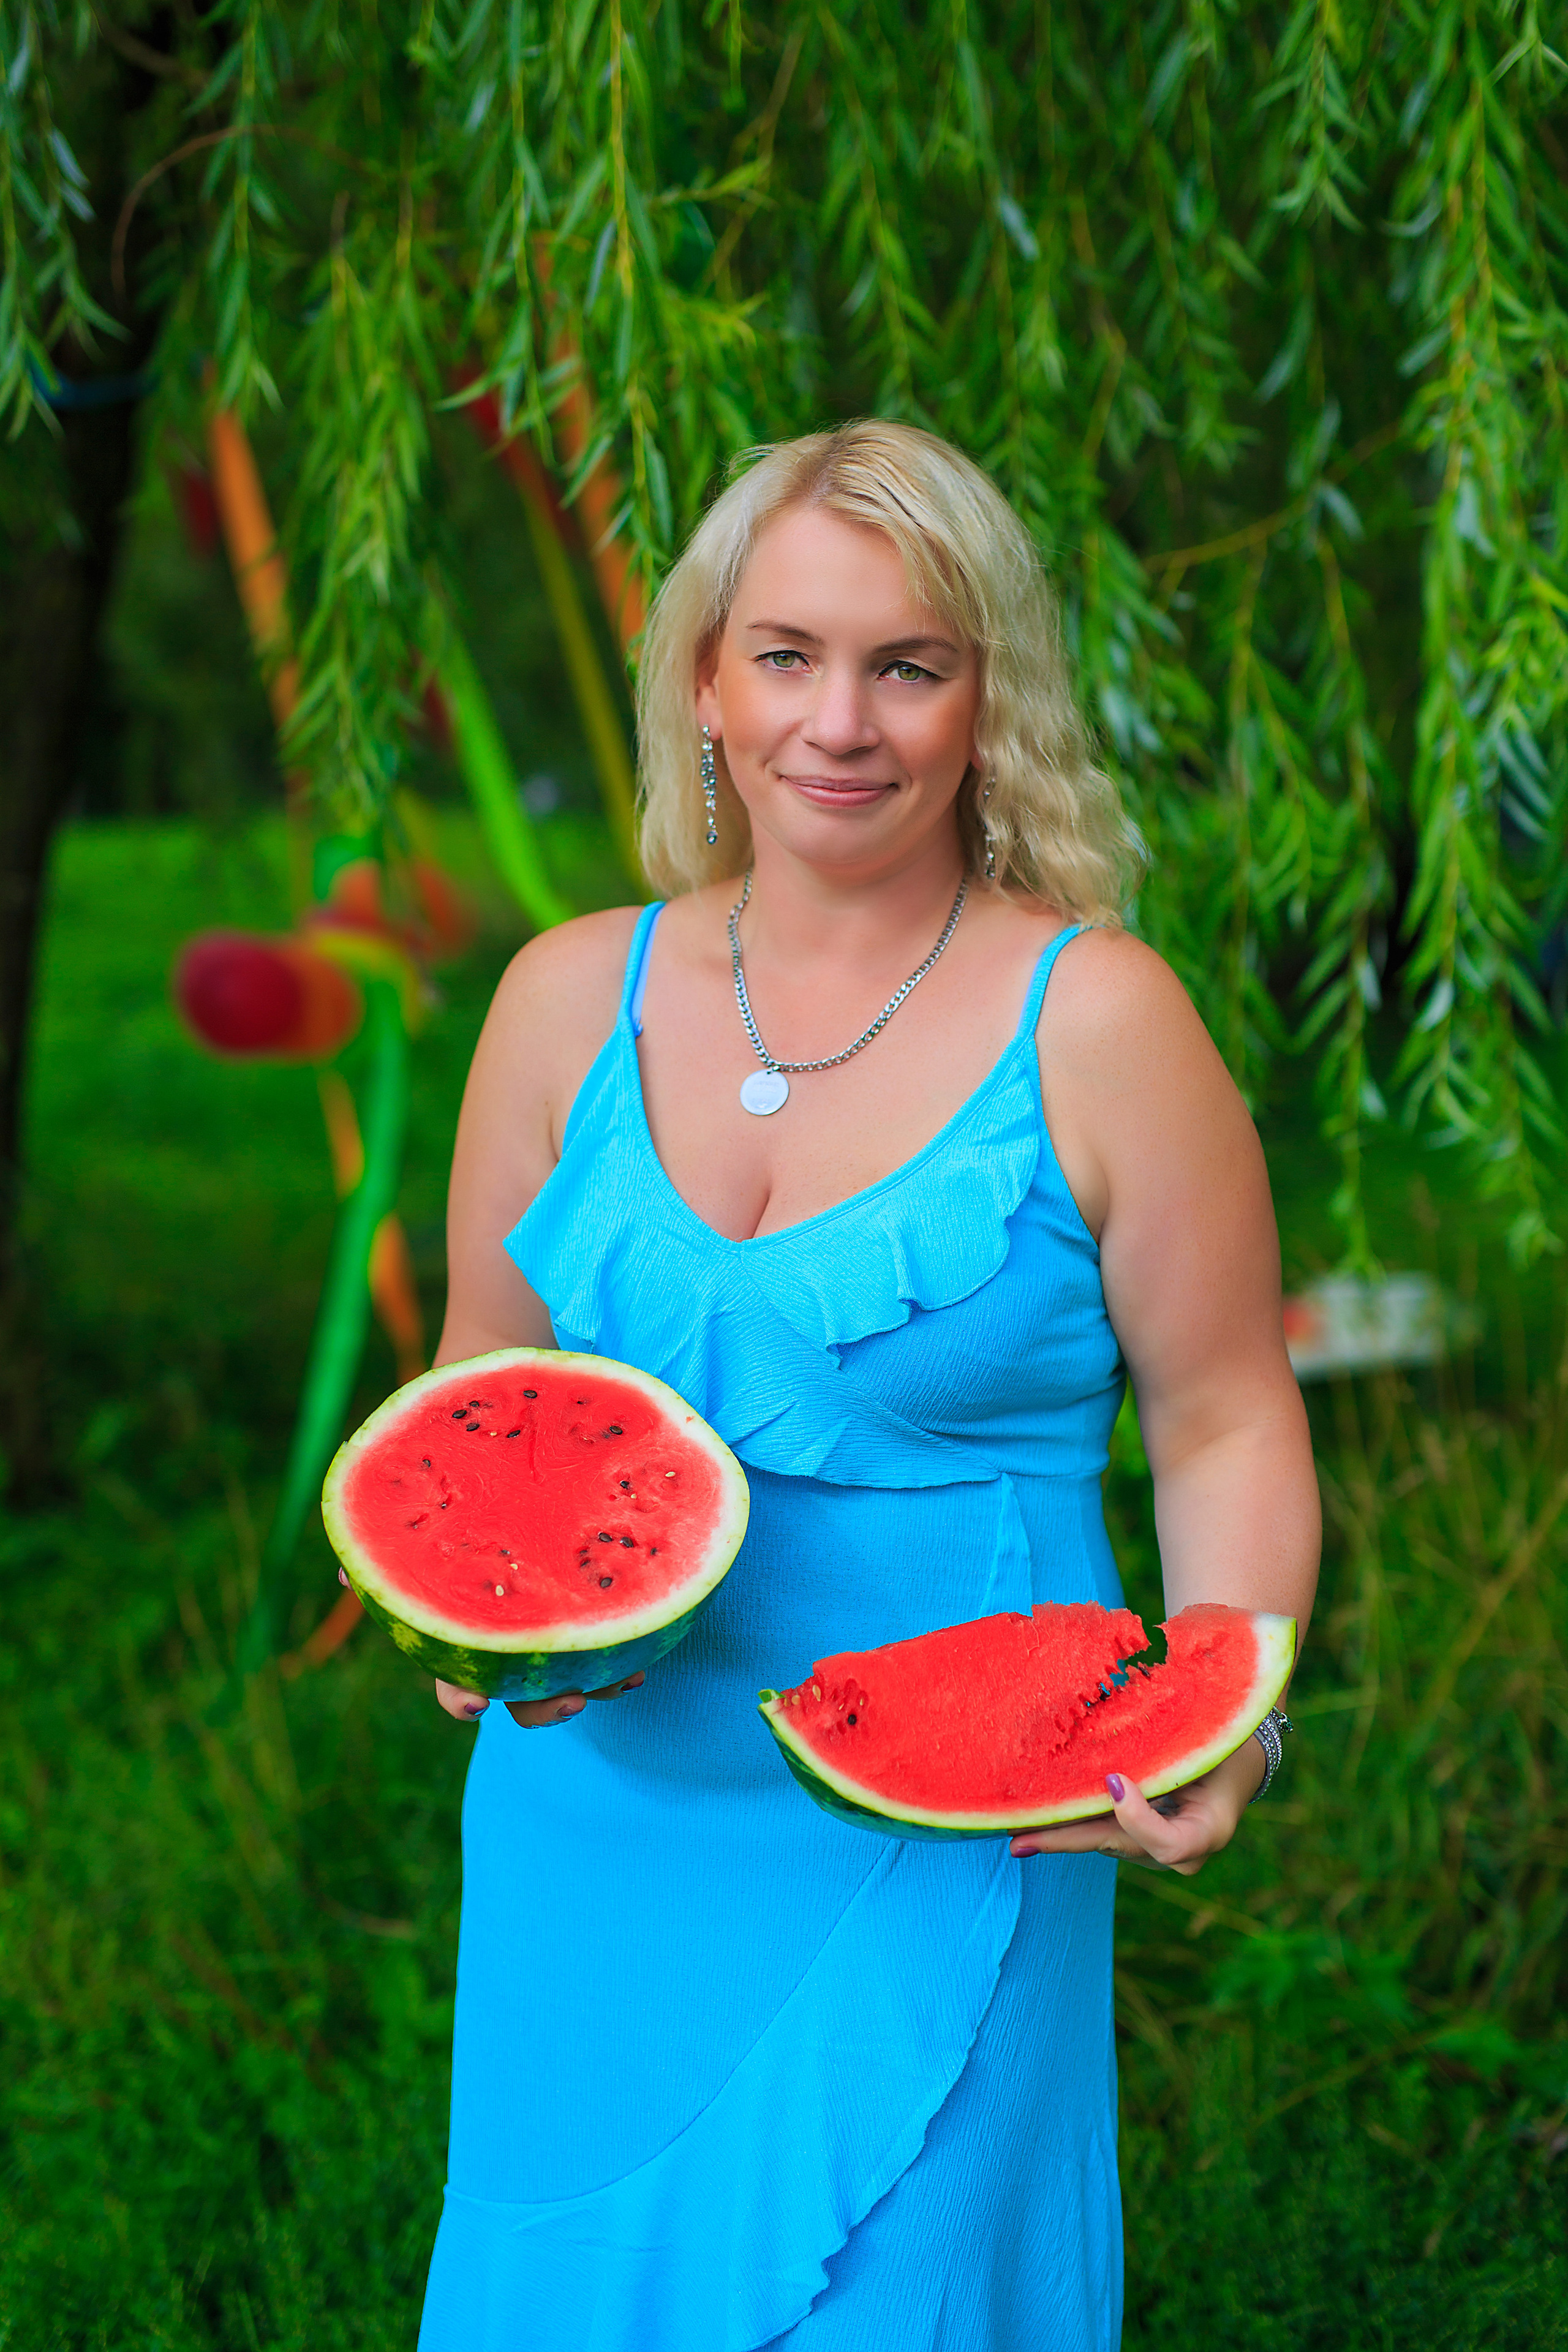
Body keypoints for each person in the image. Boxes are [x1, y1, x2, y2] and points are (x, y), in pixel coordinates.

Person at [415, 421, 1320, 2351]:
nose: (843, 720)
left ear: (989, 698)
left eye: (908, 664)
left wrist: (1228, 1712)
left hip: (957, 1832)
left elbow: (1229, 1413)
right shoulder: (565, 997)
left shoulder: (1098, 1017)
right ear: (705, 685)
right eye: (788, 656)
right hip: (595, 1816)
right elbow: (482, 1393)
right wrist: (472, 1619)